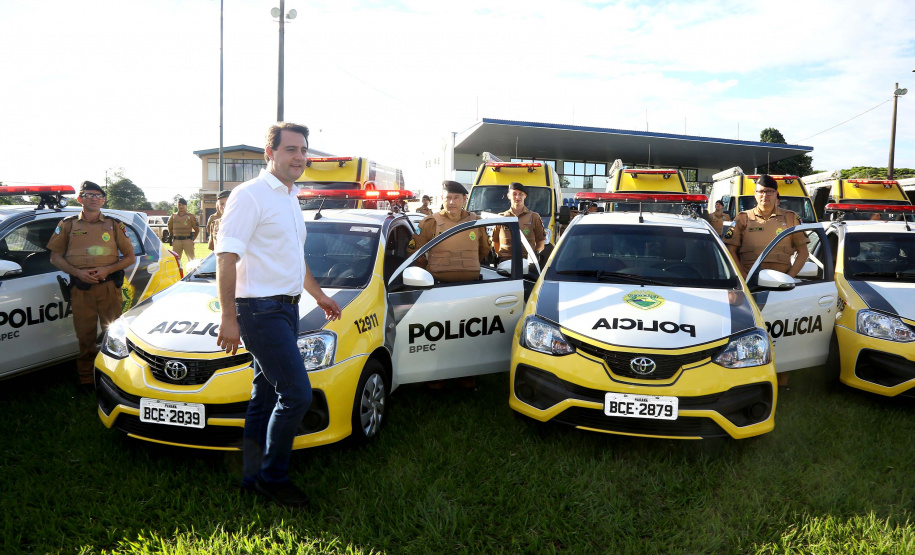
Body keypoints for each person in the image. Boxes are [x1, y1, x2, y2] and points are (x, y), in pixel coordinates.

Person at [215, 122, 342, 507]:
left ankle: (252, 476)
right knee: (297, 394)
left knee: (265, 395)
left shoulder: (291, 196)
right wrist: (228, 317)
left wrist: (318, 295)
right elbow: (226, 257)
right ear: (269, 153)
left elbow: (293, 257)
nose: (300, 157)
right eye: (291, 150)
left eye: (304, 150)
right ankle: (274, 477)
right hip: (258, 311)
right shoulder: (250, 195)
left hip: (287, 308)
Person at [47, 181, 136, 387]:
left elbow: (129, 257)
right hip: (81, 289)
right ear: (80, 199)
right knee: (85, 336)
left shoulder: (114, 225)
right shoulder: (67, 225)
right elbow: (55, 257)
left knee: (114, 334)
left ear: (103, 200)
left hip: (109, 288)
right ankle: (87, 379)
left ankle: (116, 377)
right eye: (89, 195)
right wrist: (78, 272)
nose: (95, 198)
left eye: (99, 196)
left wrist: (106, 270)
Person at [723, 174, 808, 389]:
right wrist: (743, 276)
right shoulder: (743, 218)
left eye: (769, 192)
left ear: (776, 194)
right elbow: (730, 249)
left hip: (782, 286)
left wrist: (791, 278)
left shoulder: (790, 218)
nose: (765, 196)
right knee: (747, 332)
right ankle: (748, 378)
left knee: (784, 332)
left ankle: (783, 382)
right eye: (761, 192)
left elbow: (803, 252)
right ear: (755, 195)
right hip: (751, 285)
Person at [407, 180, 490, 283]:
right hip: (438, 286)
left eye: (456, 197)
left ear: (464, 199)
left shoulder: (476, 222)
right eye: (448, 198)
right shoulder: (430, 223)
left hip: (471, 286)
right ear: (442, 199)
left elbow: (485, 249)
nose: (452, 202)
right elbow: (414, 252)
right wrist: (430, 269)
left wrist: (469, 263)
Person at [491, 182, 545, 262]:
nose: (517, 197)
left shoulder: (534, 217)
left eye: (520, 194)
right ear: (508, 196)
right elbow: (495, 242)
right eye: (514, 194)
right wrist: (497, 255)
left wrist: (535, 253)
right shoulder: (501, 217)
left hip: (527, 263)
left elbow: (541, 243)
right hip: (504, 262)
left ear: (525, 196)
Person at [168, 198, 199, 265]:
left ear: (186, 206)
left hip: (187, 240)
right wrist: (173, 236)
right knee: (175, 261)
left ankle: (192, 274)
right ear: (177, 205)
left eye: (183, 205)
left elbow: (196, 229)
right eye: (179, 205)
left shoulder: (190, 216)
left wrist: (192, 239)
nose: (181, 206)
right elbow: (170, 227)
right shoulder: (173, 216)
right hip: (177, 241)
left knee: (192, 261)